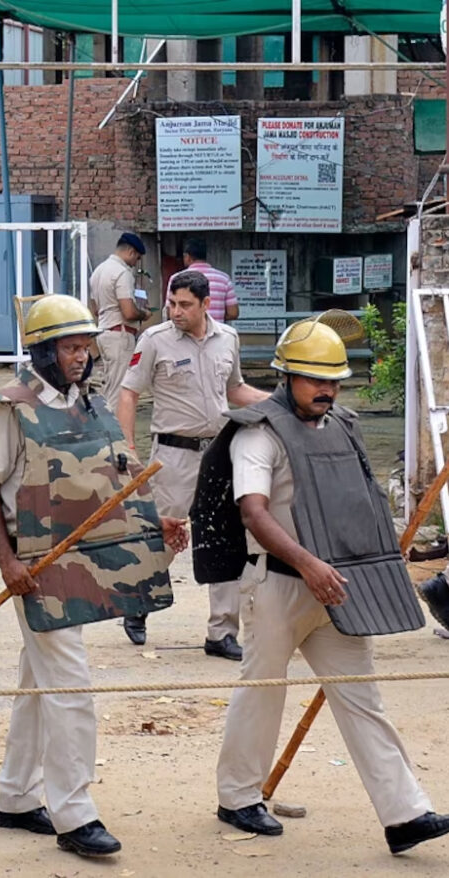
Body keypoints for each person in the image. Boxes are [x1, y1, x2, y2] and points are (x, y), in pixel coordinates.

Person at [0, 294, 186, 859]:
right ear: (44, 351)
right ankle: (75, 813)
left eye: (86, 347)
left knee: (38, 684)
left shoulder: (90, 406)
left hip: (83, 564)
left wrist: (156, 523)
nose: (82, 357)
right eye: (71, 347)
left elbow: (109, 483)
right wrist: (7, 561)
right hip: (38, 568)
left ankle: (17, 797)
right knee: (70, 687)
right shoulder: (10, 408)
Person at [200, 316, 449, 854]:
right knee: (262, 693)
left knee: (363, 700)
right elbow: (254, 513)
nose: (327, 389)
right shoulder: (256, 433)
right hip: (276, 588)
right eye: (316, 378)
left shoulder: (344, 425)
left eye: (334, 379)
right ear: (287, 375)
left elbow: (358, 499)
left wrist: (380, 554)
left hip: (337, 588)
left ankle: (406, 814)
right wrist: (308, 564)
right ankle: (239, 797)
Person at [116, 270, 268, 656]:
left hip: (219, 452)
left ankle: (221, 633)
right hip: (173, 455)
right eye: (172, 303)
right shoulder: (154, 340)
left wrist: (278, 403)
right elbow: (129, 393)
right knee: (162, 536)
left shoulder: (228, 339)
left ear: (205, 305)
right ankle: (139, 602)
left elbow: (235, 390)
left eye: (185, 304)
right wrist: (128, 448)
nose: (176, 311)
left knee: (224, 538)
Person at [89, 232, 150, 411]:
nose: (135, 262)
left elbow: (95, 309)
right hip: (119, 335)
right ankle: (115, 433)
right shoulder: (122, 272)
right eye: (137, 258)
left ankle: (108, 427)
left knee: (109, 386)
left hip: (103, 332)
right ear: (131, 252)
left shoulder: (99, 271)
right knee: (119, 389)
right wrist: (143, 314)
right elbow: (129, 312)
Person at [163, 238, 239, 323]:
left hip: (185, 333)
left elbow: (170, 312)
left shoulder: (176, 278)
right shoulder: (224, 278)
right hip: (215, 333)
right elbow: (233, 313)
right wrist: (215, 317)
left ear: (187, 257)